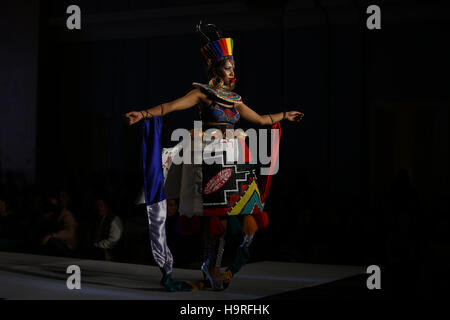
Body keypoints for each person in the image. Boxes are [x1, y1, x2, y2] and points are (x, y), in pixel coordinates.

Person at [124, 21, 304, 291]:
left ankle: (220, 264)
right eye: (228, 67)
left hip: (234, 158)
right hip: (210, 159)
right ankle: (212, 265)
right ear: (216, 68)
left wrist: (285, 116)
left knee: (247, 216)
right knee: (216, 218)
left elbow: (261, 119)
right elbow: (170, 106)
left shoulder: (235, 100)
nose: (233, 72)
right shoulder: (203, 94)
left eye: (234, 67)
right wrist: (144, 113)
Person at [85, 195, 124, 261]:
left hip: (109, 256)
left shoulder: (114, 219)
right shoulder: (97, 219)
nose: (99, 208)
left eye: (101, 205)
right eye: (97, 206)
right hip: (97, 254)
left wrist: (97, 245)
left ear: (107, 206)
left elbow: (114, 240)